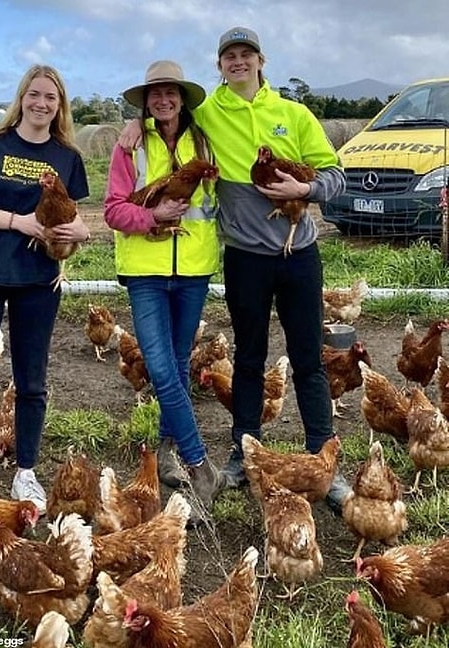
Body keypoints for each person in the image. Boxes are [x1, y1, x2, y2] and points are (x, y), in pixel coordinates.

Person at [119, 28, 349, 514]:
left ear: (261, 60)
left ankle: (324, 460)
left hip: (298, 255)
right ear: (219, 65)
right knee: (248, 359)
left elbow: (334, 174)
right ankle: (244, 455)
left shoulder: (294, 114)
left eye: (246, 54)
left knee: (308, 359)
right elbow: (166, 114)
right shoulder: (206, 115)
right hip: (245, 258)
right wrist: (133, 124)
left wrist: (304, 192)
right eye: (229, 56)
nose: (237, 62)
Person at [0, 64, 90, 515]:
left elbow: (79, 220)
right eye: (35, 94)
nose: (41, 103)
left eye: (51, 97)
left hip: (37, 282)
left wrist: (75, 234)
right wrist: (17, 222)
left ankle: (26, 471)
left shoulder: (67, 157)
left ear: (59, 105)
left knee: (32, 382)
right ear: (21, 97)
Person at [105, 60, 224, 520]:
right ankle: (199, 464)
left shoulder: (204, 140)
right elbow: (115, 210)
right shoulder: (130, 145)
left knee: (175, 365)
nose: (163, 99)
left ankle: (166, 455)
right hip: (146, 270)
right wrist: (152, 218)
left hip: (193, 269)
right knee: (158, 366)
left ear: (182, 98)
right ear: (146, 102)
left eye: (170, 92)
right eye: (155, 93)